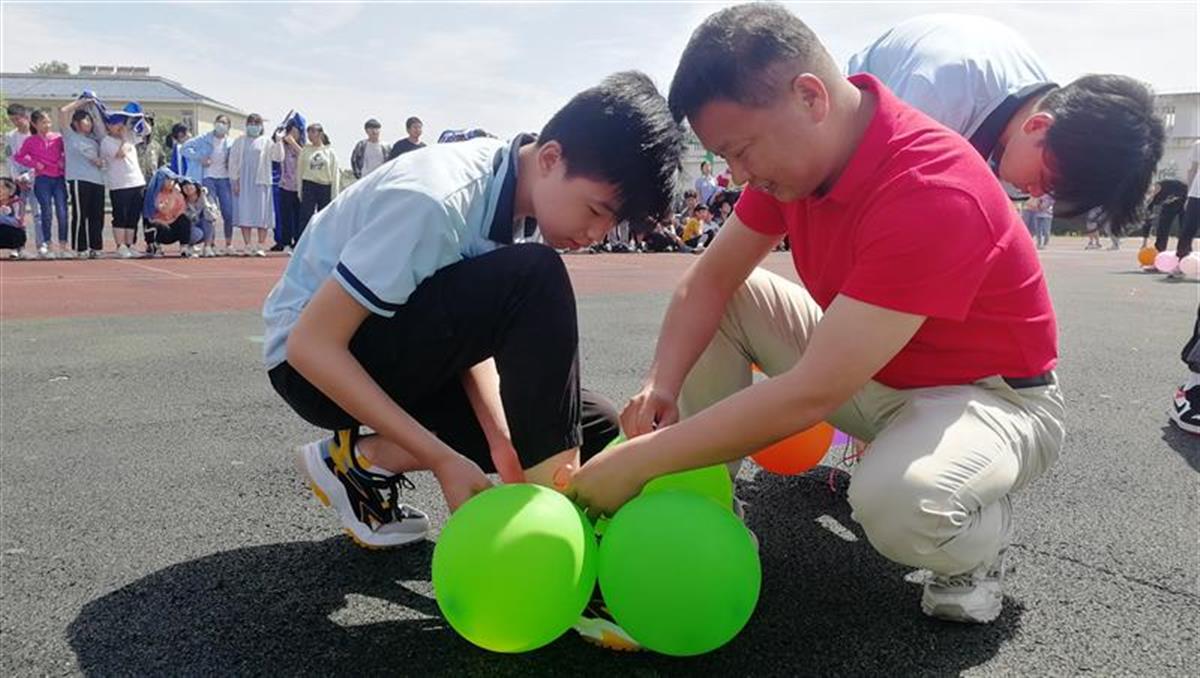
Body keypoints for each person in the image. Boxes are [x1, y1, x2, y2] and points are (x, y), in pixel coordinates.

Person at [568, 5, 1063, 634]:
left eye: (741, 150)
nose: (738, 174)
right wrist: (661, 384)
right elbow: (709, 279)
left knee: (901, 505)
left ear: (809, 97)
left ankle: (975, 539)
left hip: (987, 398)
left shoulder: (932, 185)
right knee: (734, 297)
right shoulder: (796, 168)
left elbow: (813, 392)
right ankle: (704, 508)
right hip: (875, 373)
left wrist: (640, 461)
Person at [262, 71, 682, 557]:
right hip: (312, 366)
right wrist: (441, 458)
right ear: (550, 158)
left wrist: (502, 441)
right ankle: (557, 545)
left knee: (597, 426)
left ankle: (358, 463)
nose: (597, 234)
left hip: (388, 345)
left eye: (612, 223)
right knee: (536, 278)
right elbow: (310, 346)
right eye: (594, 211)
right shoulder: (438, 200)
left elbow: (468, 330)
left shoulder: (520, 202)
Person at [848, 13, 1163, 228]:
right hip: (854, 118)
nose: (1038, 193)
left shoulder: (1044, 121)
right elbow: (867, 205)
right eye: (1047, 181)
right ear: (1038, 125)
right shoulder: (937, 97)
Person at [15, 109, 69, 259]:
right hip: (42, 179)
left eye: (49, 122)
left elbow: (67, 153)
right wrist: (34, 164)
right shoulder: (30, 141)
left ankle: (63, 246)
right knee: (46, 212)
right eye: (43, 122)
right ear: (34, 124)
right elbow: (18, 156)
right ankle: (48, 245)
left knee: (62, 211)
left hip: (58, 178)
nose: (47, 125)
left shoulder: (58, 138)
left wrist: (62, 161)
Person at [180, 114, 234, 257]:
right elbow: (184, 148)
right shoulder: (204, 139)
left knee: (228, 212)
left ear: (228, 127)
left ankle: (229, 244)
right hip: (208, 178)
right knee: (210, 212)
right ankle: (210, 245)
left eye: (224, 123)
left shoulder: (231, 142)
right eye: (219, 122)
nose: (221, 125)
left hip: (224, 179)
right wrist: (199, 158)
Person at [229, 113, 283, 257]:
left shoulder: (266, 141)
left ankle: (260, 245)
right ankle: (247, 245)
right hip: (244, 182)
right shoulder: (239, 141)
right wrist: (235, 181)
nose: (253, 126)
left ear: (261, 126)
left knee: (262, 215)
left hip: (262, 182)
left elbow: (278, 157)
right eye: (251, 123)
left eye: (256, 123)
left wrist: (278, 142)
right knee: (245, 213)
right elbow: (233, 162)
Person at [58, 99, 106, 258]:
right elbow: (64, 111)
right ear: (76, 123)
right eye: (86, 120)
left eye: (90, 120)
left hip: (97, 180)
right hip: (79, 179)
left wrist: (101, 162)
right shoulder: (69, 135)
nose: (89, 123)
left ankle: (95, 247)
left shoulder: (95, 140)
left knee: (97, 215)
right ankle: (80, 248)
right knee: (80, 214)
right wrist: (83, 101)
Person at [104, 107, 149, 258]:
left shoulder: (130, 137)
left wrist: (141, 117)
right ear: (109, 126)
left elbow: (146, 131)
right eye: (116, 123)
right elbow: (120, 154)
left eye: (122, 123)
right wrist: (125, 138)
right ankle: (120, 246)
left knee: (133, 216)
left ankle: (130, 245)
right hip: (120, 184)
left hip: (137, 182)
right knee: (120, 216)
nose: (120, 126)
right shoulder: (107, 141)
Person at [296, 123, 339, 244]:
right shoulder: (305, 150)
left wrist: (334, 193)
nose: (310, 135)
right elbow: (300, 171)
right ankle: (302, 244)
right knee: (305, 216)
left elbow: (335, 173)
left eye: (313, 132)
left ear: (320, 133)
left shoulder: (330, 151)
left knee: (324, 217)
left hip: (325, 185)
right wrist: (300, 190)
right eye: (308, 132)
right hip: (309, 184)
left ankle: (323, 244)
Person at [142, 167, 192, 257]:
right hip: (161, 227)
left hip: (173, 226)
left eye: (173, 180)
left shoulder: (177, 193)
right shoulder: (153, 194)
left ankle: (184, 247)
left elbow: (181, 210)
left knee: (185, 219)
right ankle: (154, 246)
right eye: (168, 179)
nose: (171, 182)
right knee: (152, 225)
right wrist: (165, 207)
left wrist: (174, 216)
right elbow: (160, 210)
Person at [275, 116, 305, 252]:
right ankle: (285, 241)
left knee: (299, 216)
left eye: (296, 131)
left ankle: (298, 241)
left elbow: (304, 156)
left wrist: (293, 143)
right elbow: (277, 157)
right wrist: (279, 141)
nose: (293, 134)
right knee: (285, 215)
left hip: (299, 187)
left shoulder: (303, 147)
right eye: (291, 131)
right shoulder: (282, 145)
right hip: (285, 185)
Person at [1140, 179, 1188, 254]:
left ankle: (1184, 250)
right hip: (1169, 206)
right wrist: (1144, 243)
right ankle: (1160, 250)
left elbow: (1187, 188)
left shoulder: (1167, 184)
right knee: (1163, 226)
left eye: (1152, 190)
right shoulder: (1151, 202)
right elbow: (1148, 221)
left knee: (1184, 227)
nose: (1152, 192)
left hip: (1185, 200)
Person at [180, 178, 218, 256]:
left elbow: (212, 216)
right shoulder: (182, 200)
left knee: (207, 220)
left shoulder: (207, 197)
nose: (187, 188)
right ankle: (190, 246)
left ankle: (207, 247)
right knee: (197, 233)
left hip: (204, 227)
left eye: (190, 185)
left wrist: (204, 199)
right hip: (191, 228)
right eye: (185, 186)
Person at [0, 177, 27, 257]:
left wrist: (2, 218)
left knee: (17, 232)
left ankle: (16, 249)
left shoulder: (17, 203)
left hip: (13, 231)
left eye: (2, 188)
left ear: (10, 191)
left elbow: (18, 222)